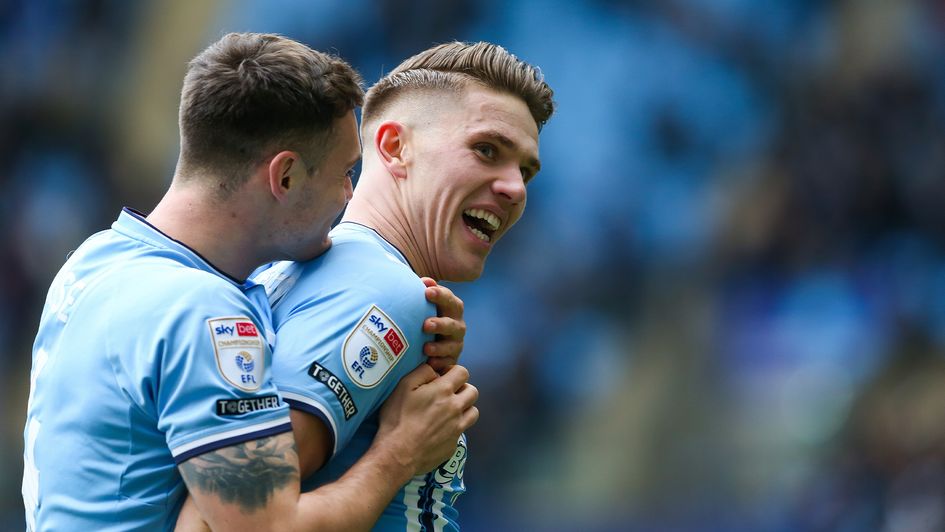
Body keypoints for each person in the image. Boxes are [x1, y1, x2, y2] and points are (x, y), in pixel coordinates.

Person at [21, 32, 477, 531]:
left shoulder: (94, 260)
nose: (349, 195)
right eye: (345, 172)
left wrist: (414, 341)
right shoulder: (202, 313)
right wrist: (399, 451)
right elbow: (270, 528)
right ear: (285, 177)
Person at [180, 41, 555, 530]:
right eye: (486, 150)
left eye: (525, 171)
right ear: (395, 147)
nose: (516, 189)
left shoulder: (302, 271)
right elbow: (223, 518)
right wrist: (397, 455)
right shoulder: (381, 293)